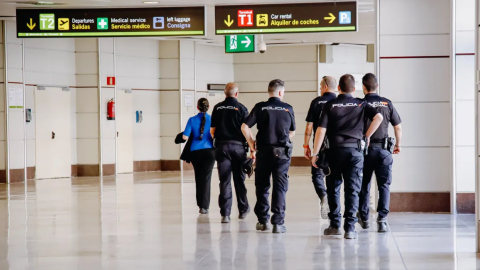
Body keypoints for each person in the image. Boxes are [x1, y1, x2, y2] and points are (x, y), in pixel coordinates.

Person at [311, 74, 384, 239]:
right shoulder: (361, 104)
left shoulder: (330, 105)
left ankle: (335, 225)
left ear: (338, 88)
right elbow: (378, 118)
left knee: (333, 188)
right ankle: (350, 228)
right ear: (354, 88)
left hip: (334, 152)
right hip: (355, 153)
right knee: (352, 189)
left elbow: (321, 130)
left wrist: (315, 153)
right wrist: (366, 136)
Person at [241, 79, 296, 234]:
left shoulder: (260, 107)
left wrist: (252, 144)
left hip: (264, 152)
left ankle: (263, 221)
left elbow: (245, 126)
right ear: (280, 92)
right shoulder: (287, 108)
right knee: (280, 187)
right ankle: (278, 223)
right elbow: (292, 132)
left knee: (262, 186)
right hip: (282, 153)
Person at [358, 73, 402, 232]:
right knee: (384, 186)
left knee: (364, 184)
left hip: (364, 151)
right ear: (377, 86)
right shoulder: (387, 103)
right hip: (384, 151)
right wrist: (398, 144)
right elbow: (398, 127)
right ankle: (382, 220)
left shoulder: (361, 104)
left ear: (363, 87)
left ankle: (364, 218)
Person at [210, 82, 250, 223]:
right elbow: (246, 129)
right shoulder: (242, 108)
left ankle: (225, 214)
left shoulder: (217, 107)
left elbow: (212, 131)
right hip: (238, 148)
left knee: (224, 181)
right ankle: (243, 210)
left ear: (225, 93)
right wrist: (252, 146)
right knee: (239, 180)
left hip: (222, 147)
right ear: (237, 94)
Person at [304, 76, 337, 219]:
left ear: (325, 87)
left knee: (317, 174)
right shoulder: (339, 102)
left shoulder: (316, 102)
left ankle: (323, 195)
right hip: (337, 147)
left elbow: (309, 126)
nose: (319, 88)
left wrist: (306, 145)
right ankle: (334, 207)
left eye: (320, 85)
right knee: (334, 177)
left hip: (320, 145)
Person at [183, 98, 215, 214]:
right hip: (209, 152)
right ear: (209, 106)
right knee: (207, 179)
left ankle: (200, 205)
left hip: (195, 152)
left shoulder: (191, 120)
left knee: (198, 177)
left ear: (197, 107)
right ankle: (205, 207)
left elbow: (185, 137)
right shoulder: (213, 119)